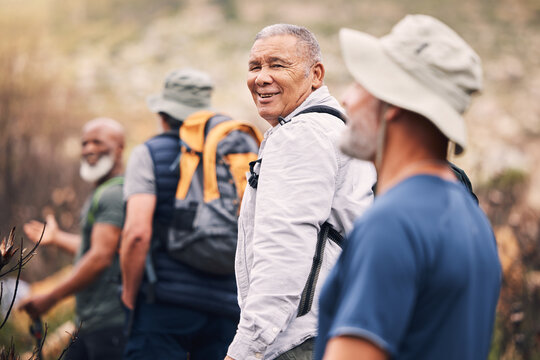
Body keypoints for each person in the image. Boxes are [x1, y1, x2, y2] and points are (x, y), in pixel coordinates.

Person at [315, 15, 502, 360]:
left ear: (394, 103)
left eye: (361, 82)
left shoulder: (393, 223)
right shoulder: (473, 221)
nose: (347, 98)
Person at [225, 24, 376, 360]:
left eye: (277, 65)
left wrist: (245, 349)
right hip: (336, 327)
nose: (261, 78)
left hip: (300, 339)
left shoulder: (301, 135)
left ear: (316, 75)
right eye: (255, 67)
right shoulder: (335, 127)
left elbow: (285, 248)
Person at [120, 68, 257, 359]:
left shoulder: (150, 154)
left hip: (165, 304)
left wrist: (129, 297)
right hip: (227, 305)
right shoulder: (231, 152)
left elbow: (137, 234)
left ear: (164, 114)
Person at [20, 117, 126, 360]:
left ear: (120, 148)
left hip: (111, 324)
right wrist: (57, 238)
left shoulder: (113, 193)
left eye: (97, 142)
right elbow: (99, 248)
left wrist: (50, 298)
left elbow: (100, 257)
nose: (89, 148)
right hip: (92, 323)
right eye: (84, 143)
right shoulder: (104, 192)